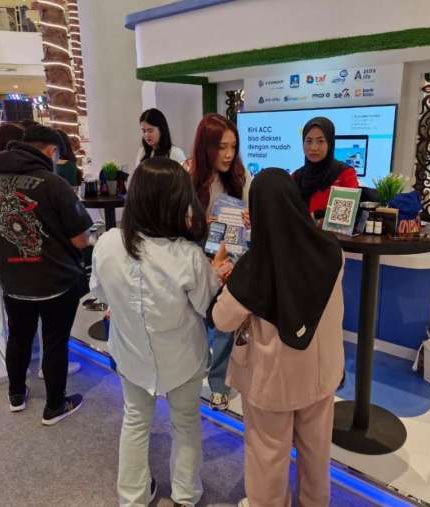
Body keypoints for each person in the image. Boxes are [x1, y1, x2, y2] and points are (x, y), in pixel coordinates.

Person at [91, 157, 231, 507]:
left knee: (135, 421)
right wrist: (215, 273)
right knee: (185, 423)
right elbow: (207, 306)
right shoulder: (187, 255)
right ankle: (185, 496)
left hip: (130, 352)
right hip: (182, 356)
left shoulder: (107, 243)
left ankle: (132, 498)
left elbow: (101, 293)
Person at [210, 168, 345, 507]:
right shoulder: (331, 251)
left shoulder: (254, 267)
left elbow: (221, 320)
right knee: (317, 453)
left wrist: (221, 277)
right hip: (322, 373)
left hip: (273, 382)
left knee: (267, 456)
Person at [0, 125, 93, 425]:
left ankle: (16, 394)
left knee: (18, 336)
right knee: (55, 341)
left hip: (12, 279)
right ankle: (54, 406)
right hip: (55, 280)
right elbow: (81, 239)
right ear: (51, 151)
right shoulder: (54, 184)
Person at [187, 113, 252, 411]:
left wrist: (250, 221)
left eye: (233, 147)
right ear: (206, 147)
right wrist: (200, 224)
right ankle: (197, 367)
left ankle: (219, 383)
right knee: (197, 316)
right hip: (197, 254)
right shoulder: (188, 176)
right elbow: (177, 224)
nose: (228, 154)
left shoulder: (241, 176)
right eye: (221, 147)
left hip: (231, 252)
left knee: (225, 321)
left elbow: (250, 221)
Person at [292, 117, 359, 216]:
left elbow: (345, 215)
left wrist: (316, 217)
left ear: (330, 143)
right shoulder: (296, 177)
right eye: (309, 141)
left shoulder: (345, 174)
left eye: (320, 141)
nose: (313, 148)